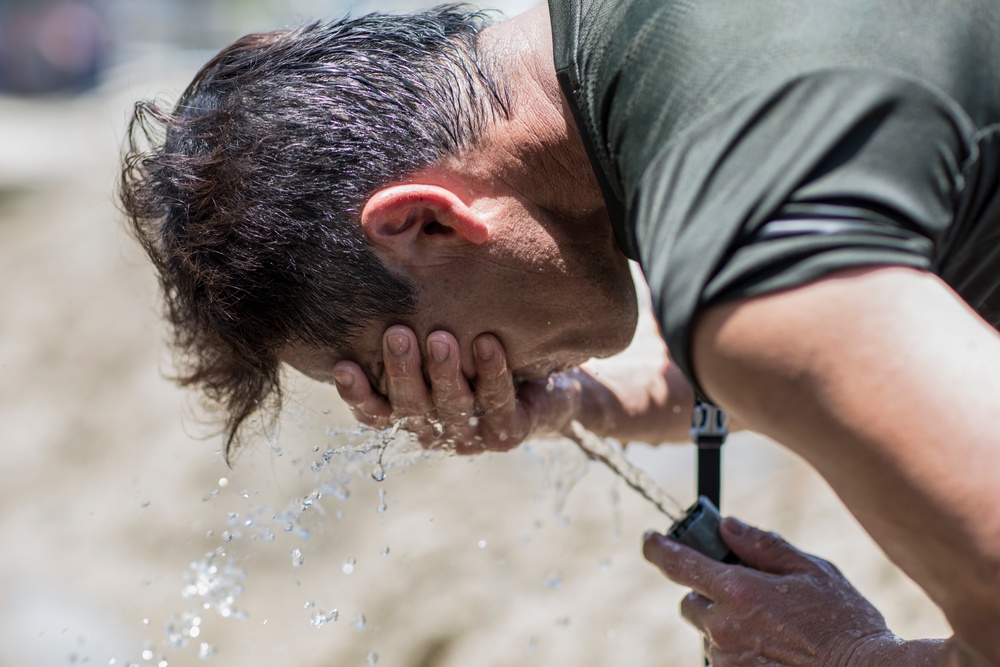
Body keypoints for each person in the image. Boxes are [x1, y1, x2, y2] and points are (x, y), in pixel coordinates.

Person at [119, 1, 1000, 665]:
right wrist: (569, 396)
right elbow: (833, 320)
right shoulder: (638, 55)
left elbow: (782, 316)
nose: (443, 385)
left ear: (425, 222)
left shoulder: (753, 272)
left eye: (391, 363)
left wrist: (855, 655)